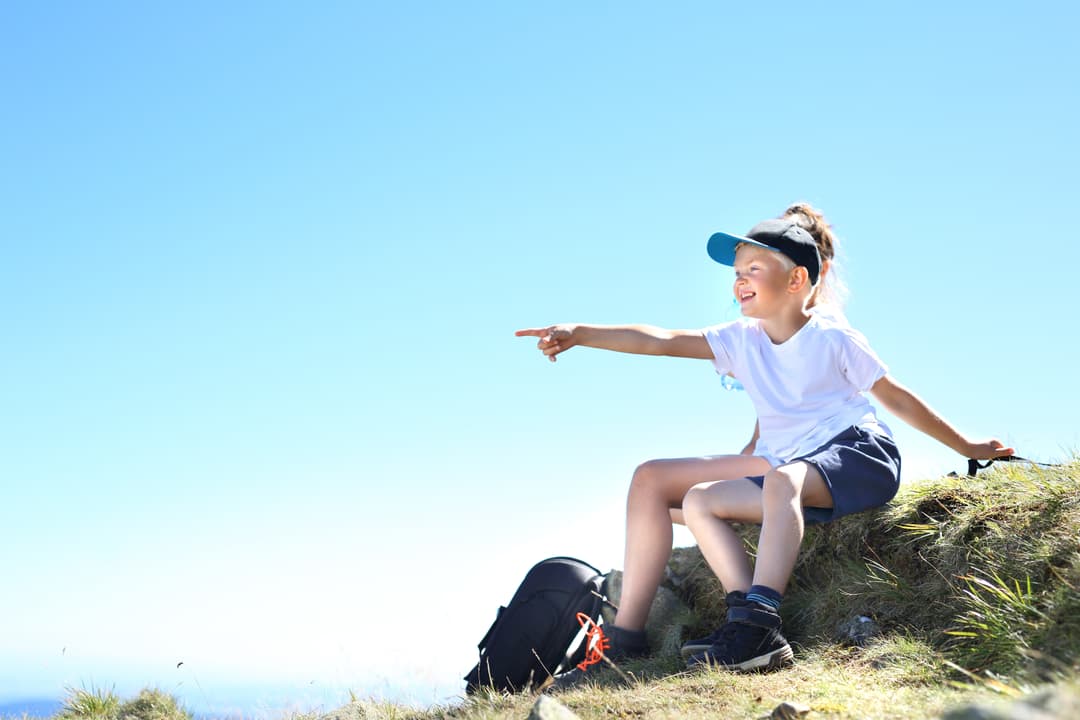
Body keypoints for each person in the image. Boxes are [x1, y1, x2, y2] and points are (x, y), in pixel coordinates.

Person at [515, 210, 1013, 673]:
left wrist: (967, 446)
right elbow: (660, 341)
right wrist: (580, 331)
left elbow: (895, 397)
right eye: (736, 271)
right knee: (695, 498)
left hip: (857, 452)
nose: (739, 279)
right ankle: (714, 627)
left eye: (754, 267)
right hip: (784, 461)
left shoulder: (832, 339)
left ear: (797, 280)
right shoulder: (740, 339)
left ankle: (760, 620)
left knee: (781, 481)